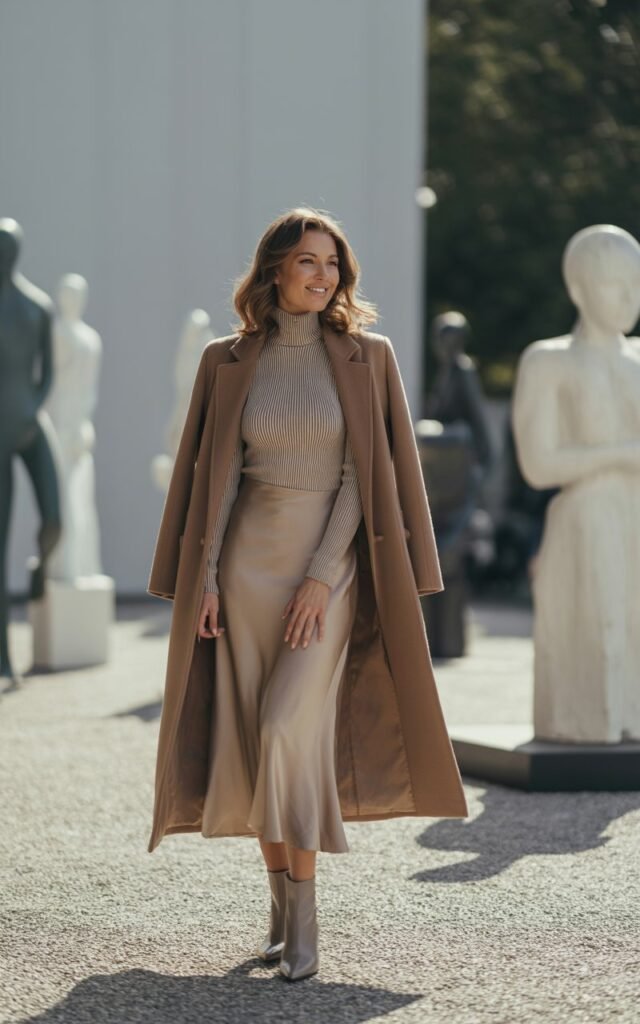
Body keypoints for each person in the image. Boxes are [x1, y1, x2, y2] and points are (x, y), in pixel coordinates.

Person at [147, 206, 468, 982]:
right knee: (258, 742)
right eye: (306, 264)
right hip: (247, 568)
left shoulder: (367, 356)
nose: (323, 277)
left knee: (291, 727)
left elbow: (368, 476)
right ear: (274, 273)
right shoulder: (228, 360)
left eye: (332, 264)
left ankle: (310, 921)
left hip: (328, 565)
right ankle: (279, 915)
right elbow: (214, 481)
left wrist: (324, 575)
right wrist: (211, 577)